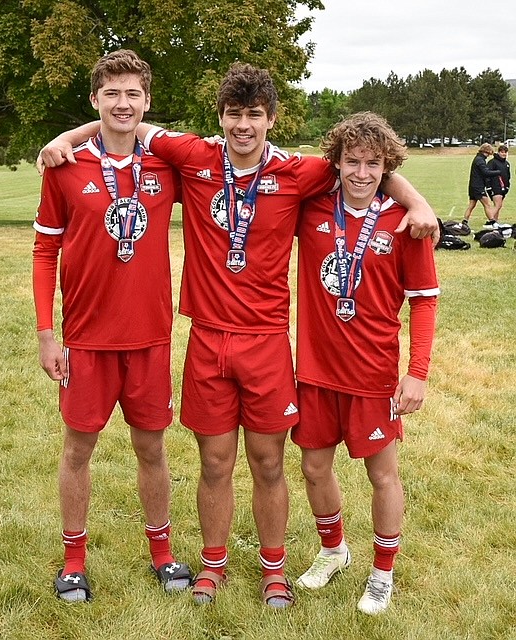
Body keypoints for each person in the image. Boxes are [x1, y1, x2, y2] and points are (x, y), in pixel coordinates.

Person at [38, 62, 439, 608]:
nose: (243, 125)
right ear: (221, 118)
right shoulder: (195, 158)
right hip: (206, 339)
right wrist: (66, 137)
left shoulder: (299, 173)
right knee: (214, 462)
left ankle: (274, 569)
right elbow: (121, 122)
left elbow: (364, 164)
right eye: (234, 114)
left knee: (269, 462)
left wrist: (415, 200)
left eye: (254, 114)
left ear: (271, 118)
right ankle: (212, 565)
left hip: (268, 342)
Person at [32, 49, 192, 603]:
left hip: (148, 338)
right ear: (95, 99)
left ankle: (163, 553)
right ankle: (73, 560)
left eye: (133, 94)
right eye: (111, 93)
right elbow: (44, 250)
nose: (122, 104)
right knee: (78, 450)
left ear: (146, 102)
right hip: (85, 340)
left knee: (153, 449)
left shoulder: (166, 165)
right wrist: (46, 333)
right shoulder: (64, 167)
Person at [292, 112, 439, 615]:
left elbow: (424, 300)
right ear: (335, 162)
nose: (360, 172)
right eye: (351, 161)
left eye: (373, 164)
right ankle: (334, 550)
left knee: (382, 475)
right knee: (314, 468)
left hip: (373, 376)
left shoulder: (406, 223)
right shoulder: (309, 209)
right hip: (313, 370)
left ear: (387, 167)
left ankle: (382, 572)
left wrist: (417, 372)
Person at [461, 143, 501, 227]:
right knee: (487, 204)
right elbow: (485, 172)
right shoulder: (480, 160)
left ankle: (464, 221)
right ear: (486, 151)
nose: (489, 155)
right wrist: (498, 172)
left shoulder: (478, 158)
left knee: (472, 205)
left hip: (473, 186)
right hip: (478, 186)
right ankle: (492, 222)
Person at [486, 144, 511, 221]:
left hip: (504, 187)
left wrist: (507, 186)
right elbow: (487, 174)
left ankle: (495, 222)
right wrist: (488, 186)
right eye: (502, 152)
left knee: (498, 206)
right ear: (499, 152)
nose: (504, 154)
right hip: (495, 186)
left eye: (505, 152)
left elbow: (508, 176)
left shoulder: (507, 164)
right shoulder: (492, 162)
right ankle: (490, 221)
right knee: (498, 205)